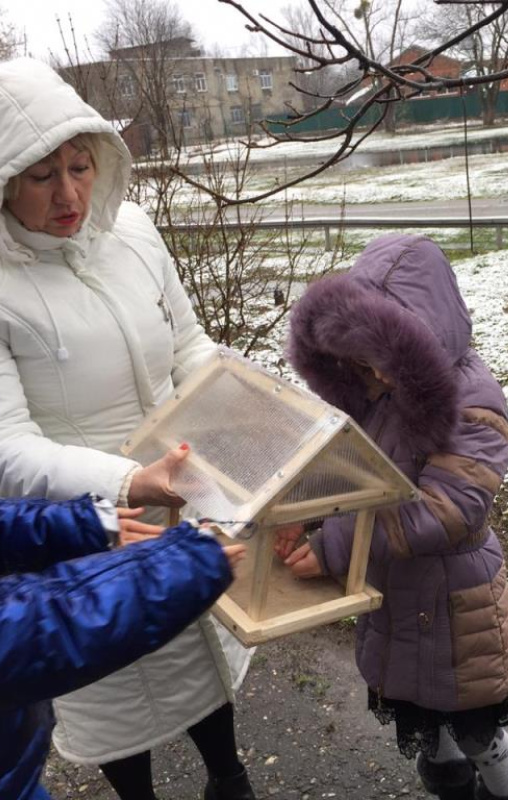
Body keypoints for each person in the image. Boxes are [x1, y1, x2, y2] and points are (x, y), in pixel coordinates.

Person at [0, 58, 255, 800]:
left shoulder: (135, 234)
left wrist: (249, 406)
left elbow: (189, 347)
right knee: (111, 681)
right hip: (86, 522)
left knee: (201, 649)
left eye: (81, 166)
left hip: (185, 482)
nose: (71, 192)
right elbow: (8, 447)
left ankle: (228, 778)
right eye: (42, 175)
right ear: (5, 177)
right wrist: (122, 484)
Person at [277, 234, 508, 800]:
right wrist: (299, 508)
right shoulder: (374, 394)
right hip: (397, 591)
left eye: (381, 358)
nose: (370, 371)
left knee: (474, 726)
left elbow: (447, 510)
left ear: (419, 342)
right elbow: (351, 466)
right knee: (423, 714)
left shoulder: (471, 400)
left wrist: (333, 546)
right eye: (359, 359)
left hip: (454, 599)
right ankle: (448, 785)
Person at [1, 494, 247, 800]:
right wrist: (176, 569)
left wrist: (81, 522)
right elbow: (32, 634)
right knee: (106, 710)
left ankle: (229, 780)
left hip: (129, 521)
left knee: (191, 669)